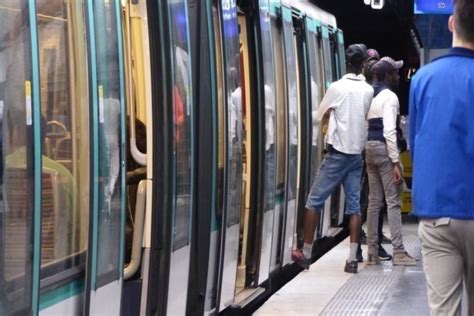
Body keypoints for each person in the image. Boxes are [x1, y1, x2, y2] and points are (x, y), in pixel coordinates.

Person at [409, 0, 474, 313]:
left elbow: (417, 144)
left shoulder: (423, 79)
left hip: (437, 212)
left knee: (443, 310)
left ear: (451, 24)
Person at [292, 44, 373, 273]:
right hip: (356, 155)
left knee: (314, 201)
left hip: (337, 153)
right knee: (354, 207)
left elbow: (318, 116)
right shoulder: (368, 90)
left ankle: (306, 254)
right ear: (363, 65)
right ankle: (352, 260)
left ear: (347, 63)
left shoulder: (337, 87)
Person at [365, 57, 416, 266]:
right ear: (387, 76)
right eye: (395, 73)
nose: (398, 76)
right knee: (393, 202)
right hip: (384, 150)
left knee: (374, 202)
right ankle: (399, 251)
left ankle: (372, 252)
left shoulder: (369, 95)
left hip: (369, 147)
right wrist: (395, 162)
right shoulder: (390, 97)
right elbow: (389, 130)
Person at [358, 48, 392, 263]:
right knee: (376, 199)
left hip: (364, 148)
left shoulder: (368, 91)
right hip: (370, 148)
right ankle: (375, 242)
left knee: (371, 199)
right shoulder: (373, 93)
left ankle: (373, 242)